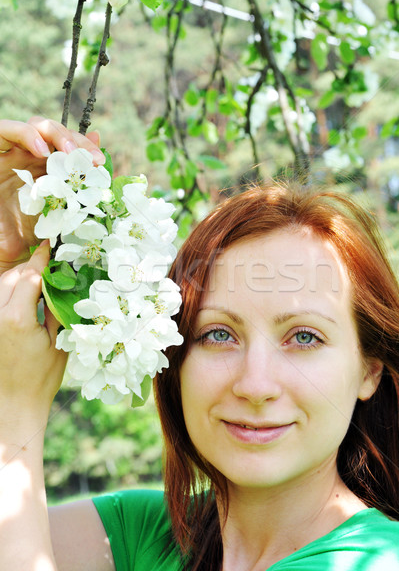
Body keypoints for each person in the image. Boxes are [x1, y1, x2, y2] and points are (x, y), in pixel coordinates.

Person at [0, 117, 398, 571]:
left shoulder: (373, 560)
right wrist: (11, 256)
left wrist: (15, 414)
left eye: (304, 337)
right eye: (219, 335)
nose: (255, 384)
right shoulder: (144, 533)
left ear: (369, 369)